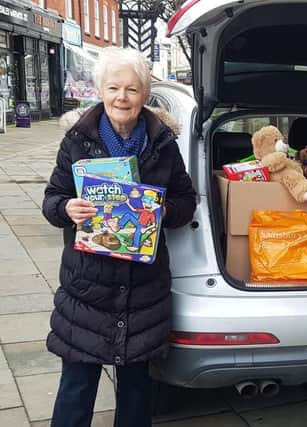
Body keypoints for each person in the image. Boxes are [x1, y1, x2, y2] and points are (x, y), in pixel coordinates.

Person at [42, 47, 197, 427]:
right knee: (77, 385)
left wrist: (161, 211)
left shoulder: (163, 144)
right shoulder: (77, 140)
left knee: (136, 388)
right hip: (88, 285)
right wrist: (67, 210)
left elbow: (186, 201)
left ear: (145, 94)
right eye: (113, 88)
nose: (121, 98)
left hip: (143, 287)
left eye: (131, 89)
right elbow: (52, 199)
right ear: (100, 90)